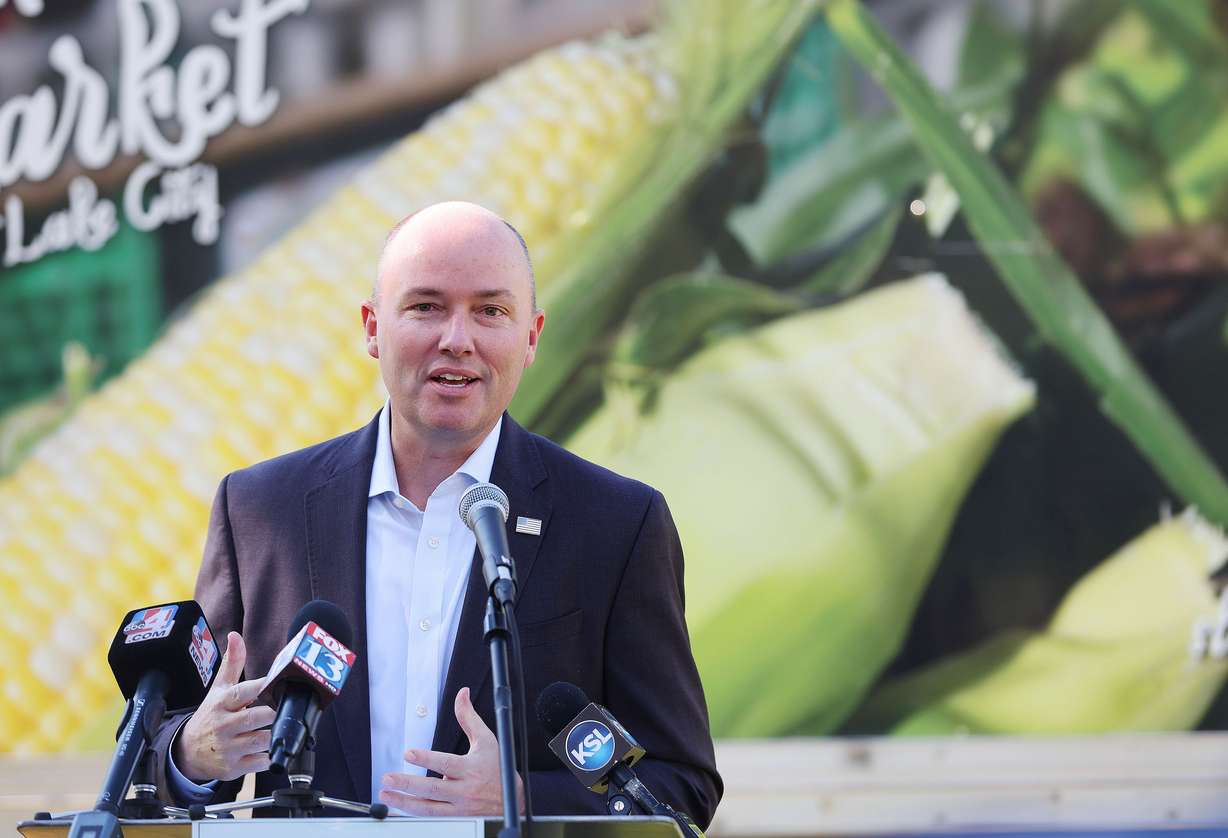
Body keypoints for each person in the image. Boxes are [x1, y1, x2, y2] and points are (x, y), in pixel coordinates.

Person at [151, 201, 722, 825]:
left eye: (490, 311)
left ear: (531, 337)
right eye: (426, 306)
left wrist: (520, 803)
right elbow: (161, 754)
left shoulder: (616, 524)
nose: (457, 339)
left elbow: (681, 786)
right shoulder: (261, 510)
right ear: (373, 328)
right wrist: (192, 756)